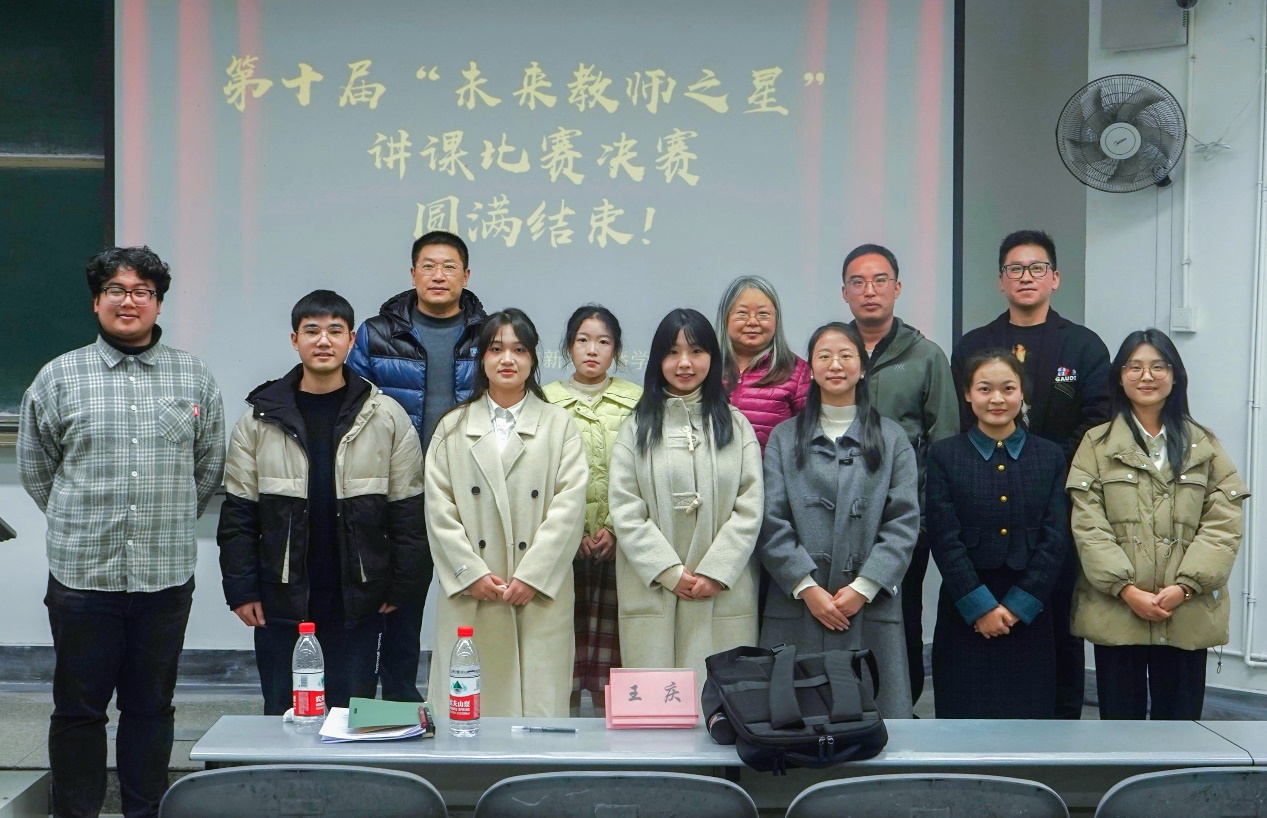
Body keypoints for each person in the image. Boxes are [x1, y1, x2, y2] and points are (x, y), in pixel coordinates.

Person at [18, 246, 225, 818]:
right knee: (78, 710)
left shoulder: (193, 375)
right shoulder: (59, 376)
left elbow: (207, 467)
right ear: (96, 301)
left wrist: (166, 519)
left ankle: (144, 811)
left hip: (164, 576)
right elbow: (37, 469)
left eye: (142, 292)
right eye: (116, 290)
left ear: (158, 303)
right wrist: (80, 520)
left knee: (151, 708)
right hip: (83, 576)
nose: (128, 301)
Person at [217, 290, 427, 714]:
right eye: (312, 331)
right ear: (295, 340)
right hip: (282, 598)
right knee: (284, 713)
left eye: (335, 330)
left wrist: (401, 586)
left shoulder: (386, 416)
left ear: (352, 339)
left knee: (352, 714)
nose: (324, 341)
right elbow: (239, 515)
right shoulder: (260, 419)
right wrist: (241, 589)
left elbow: (408, 513)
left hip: (359, 598)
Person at [952, 229, 1111, 719]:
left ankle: (1061, 723)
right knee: (984, 613)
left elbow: (1098, 421)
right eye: (1015, 269)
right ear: (1001, 280)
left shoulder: (1083, 346)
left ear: (1055, 278)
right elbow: (965, 423)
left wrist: (1043, 464)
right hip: (984, 499)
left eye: (1037, 268)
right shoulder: (975, 344)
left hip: (1058, 497)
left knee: (1057, 616)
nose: (1026, 277)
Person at [1067, 329, 1248, 720]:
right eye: (1134, 367)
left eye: (1158, 366)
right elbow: (1088, 526)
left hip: (1187, 610)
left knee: (1180, 728)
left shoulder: (1204, 445)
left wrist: (1184, 587)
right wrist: (1126, 589)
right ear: (1119, 377)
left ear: (1175, 376)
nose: (1146, 376)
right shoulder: (1096, 445)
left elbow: (1223, 524)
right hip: (1117, 609)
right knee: (1121, 725)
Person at [425, 308, 588, 717]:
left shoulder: (559, 426)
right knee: (469, 712)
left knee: (538, 714)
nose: (507, 359)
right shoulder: (452, 427)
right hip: (474, 593)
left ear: (533, 358)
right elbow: (439, 510)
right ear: (482, 358)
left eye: (519, 349)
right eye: (496, 349)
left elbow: (569, 508)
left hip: (538, 594)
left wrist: (533, 576)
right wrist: (470, 573)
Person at [346, 229, 486, 702]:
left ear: (466, 275)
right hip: (397, 492)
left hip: (470, 491)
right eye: (428, 266)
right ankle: (396, 705)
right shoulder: (377, 333)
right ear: (412, 274)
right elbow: (354, 408)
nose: (438, 275)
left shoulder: (490, 334)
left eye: (449, 266)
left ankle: (469, 702)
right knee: (397, 603)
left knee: (475, 600)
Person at [757, 322, 920, 718]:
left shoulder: (892, 438)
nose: (835, 364)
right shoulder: (784, 437)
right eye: (824, 356)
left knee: (872, 722)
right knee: (793, 722)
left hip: (868, 606)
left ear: (862, 367)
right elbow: (771, 519)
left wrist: (864, 586)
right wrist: (806, 586)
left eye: (846, 355)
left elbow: (903, 522)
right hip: (798, 604)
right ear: (810, 369)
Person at [609, 308, 763, 698]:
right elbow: (625, 508)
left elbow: (750, 506)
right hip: (654, 590)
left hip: (722, 590)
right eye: (672, 352)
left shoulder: (736, 425)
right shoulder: (636, 427)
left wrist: (716, 570)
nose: (684, 363)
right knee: (657, 711)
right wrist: (668, 571)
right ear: (657, 360)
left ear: (712, 357)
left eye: (696, 351)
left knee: (723, 707)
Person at [842, 243, 959, 707]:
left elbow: (944, 442)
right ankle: (844, 708)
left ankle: (902, 710)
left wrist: (922, 517)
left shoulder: (926, 355)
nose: (869, 291)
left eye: (880, 280)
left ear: (897, 288)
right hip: (838, 516)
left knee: (902, 617)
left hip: (902, 519)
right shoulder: (832, 351)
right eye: (858, 282)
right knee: (842, 615)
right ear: (845, 293)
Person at [927, 349, 1069, 718]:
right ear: (967, 394)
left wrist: (1019, 606)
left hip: (1031, 611)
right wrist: (980, 607)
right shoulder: (944, 455)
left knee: (1029, 721)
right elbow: (944, 538)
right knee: (962, 720)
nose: (997, 399)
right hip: (964, 609)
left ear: (1022, 393)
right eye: (984, 389)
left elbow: (1055, 538)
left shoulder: (1050, 456)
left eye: (1008, 388)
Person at [541, 305, 642, 712]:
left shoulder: (637, 401)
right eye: (583, 340)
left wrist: (617, 529)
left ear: (616, 350)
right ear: (569, 347)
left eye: (603, 341)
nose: (592, 350)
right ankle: (558, 736)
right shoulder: (545, 400)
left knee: (612, 665)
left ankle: (611, 738)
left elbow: (643, 474)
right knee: (560, 654)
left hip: (620, 548)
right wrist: (574, 532)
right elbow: (541, 476)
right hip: (562, 550)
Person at [715, 275, 811, 452]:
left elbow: (809, 438)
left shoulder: (797, 372)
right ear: (725, 317)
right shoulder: (707, 367)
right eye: (742, 313)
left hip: (772, 470)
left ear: (776, 319)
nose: (753, 322)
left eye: (763, 314)